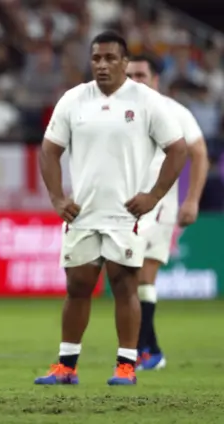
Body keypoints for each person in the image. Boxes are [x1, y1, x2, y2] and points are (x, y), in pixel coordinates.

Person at [35, 31, 187, 386]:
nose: (101, 64)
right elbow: (49, 150)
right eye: (96, 58)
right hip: (82, 212)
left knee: (124, 285)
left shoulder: (147, 101)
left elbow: (178, 149)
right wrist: (57, 197)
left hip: (126, 214)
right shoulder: (74, 100)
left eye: (109, 58)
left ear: (124, 62)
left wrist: (153, 195)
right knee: (78, 285)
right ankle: (66, 366)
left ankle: (126, 365)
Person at [126, 55, 208, 370]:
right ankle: (150, 348)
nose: (134, 80)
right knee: (128, 280)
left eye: (141, 75)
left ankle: (143, 350)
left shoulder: (174, 112)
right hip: (122, 206)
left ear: (155, 79)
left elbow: (199, 152)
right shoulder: (117, 112)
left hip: (159, 206)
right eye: (130, 74)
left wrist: (192, 200)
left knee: (143, 276)